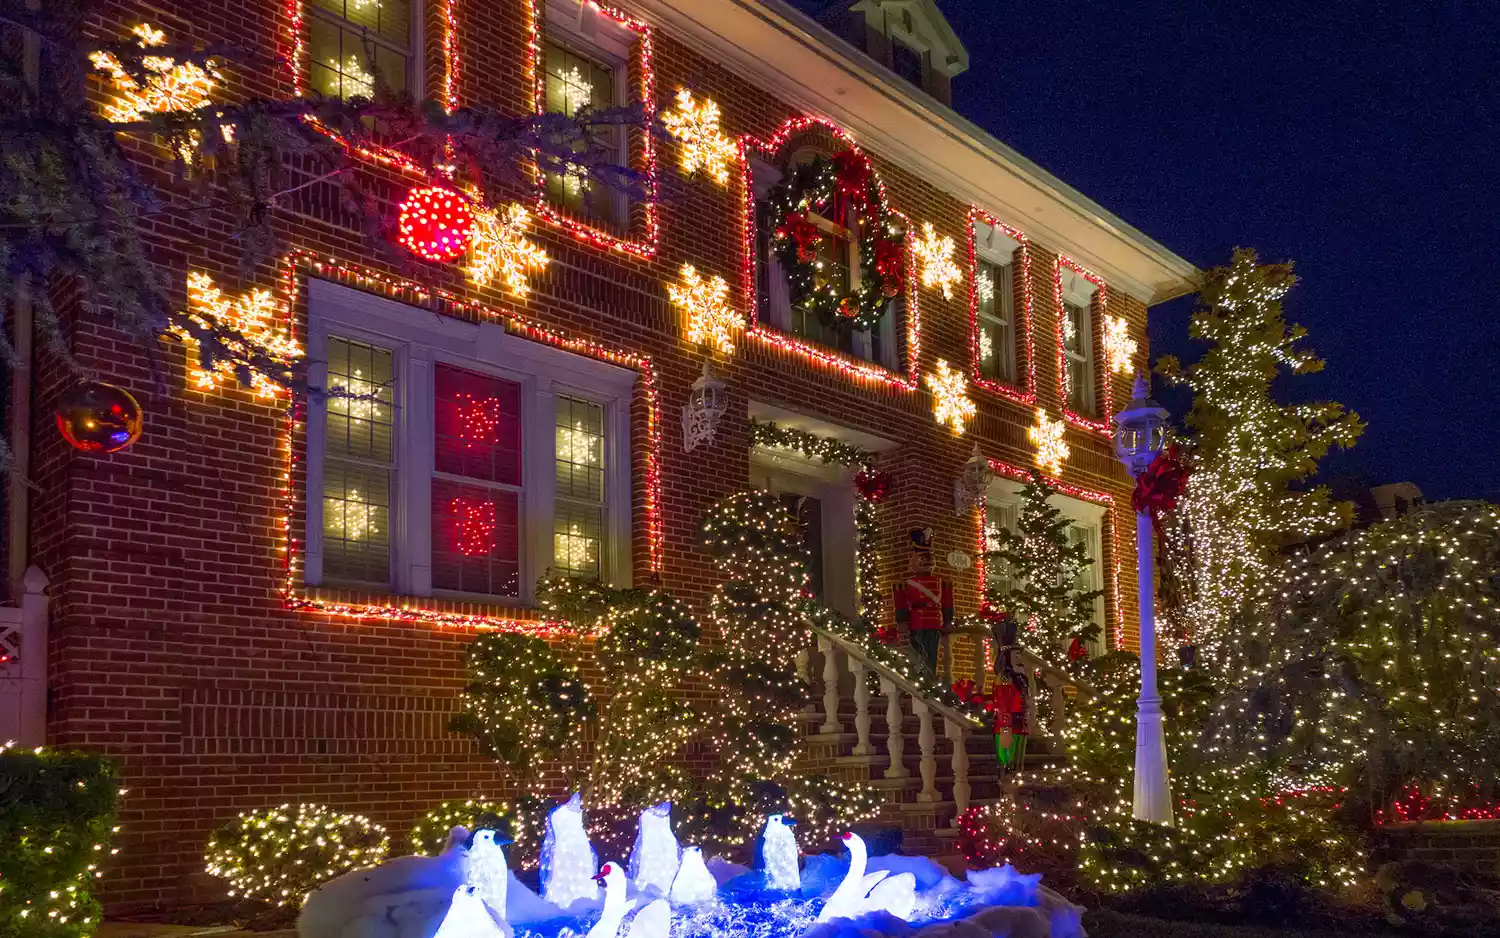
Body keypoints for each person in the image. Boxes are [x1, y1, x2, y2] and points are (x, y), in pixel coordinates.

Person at [892, 528, 953, 673]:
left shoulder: (942, 582)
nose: (928, 560)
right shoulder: (907, 584)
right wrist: (902, 622)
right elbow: (901, 604)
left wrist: (948, 620)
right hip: (917, 622)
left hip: (935, 622)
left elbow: (947, 602)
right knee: (919, 655)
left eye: (929, 557)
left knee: (932, 655)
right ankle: (922, 679)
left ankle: (930, 678)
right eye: (922, 557)